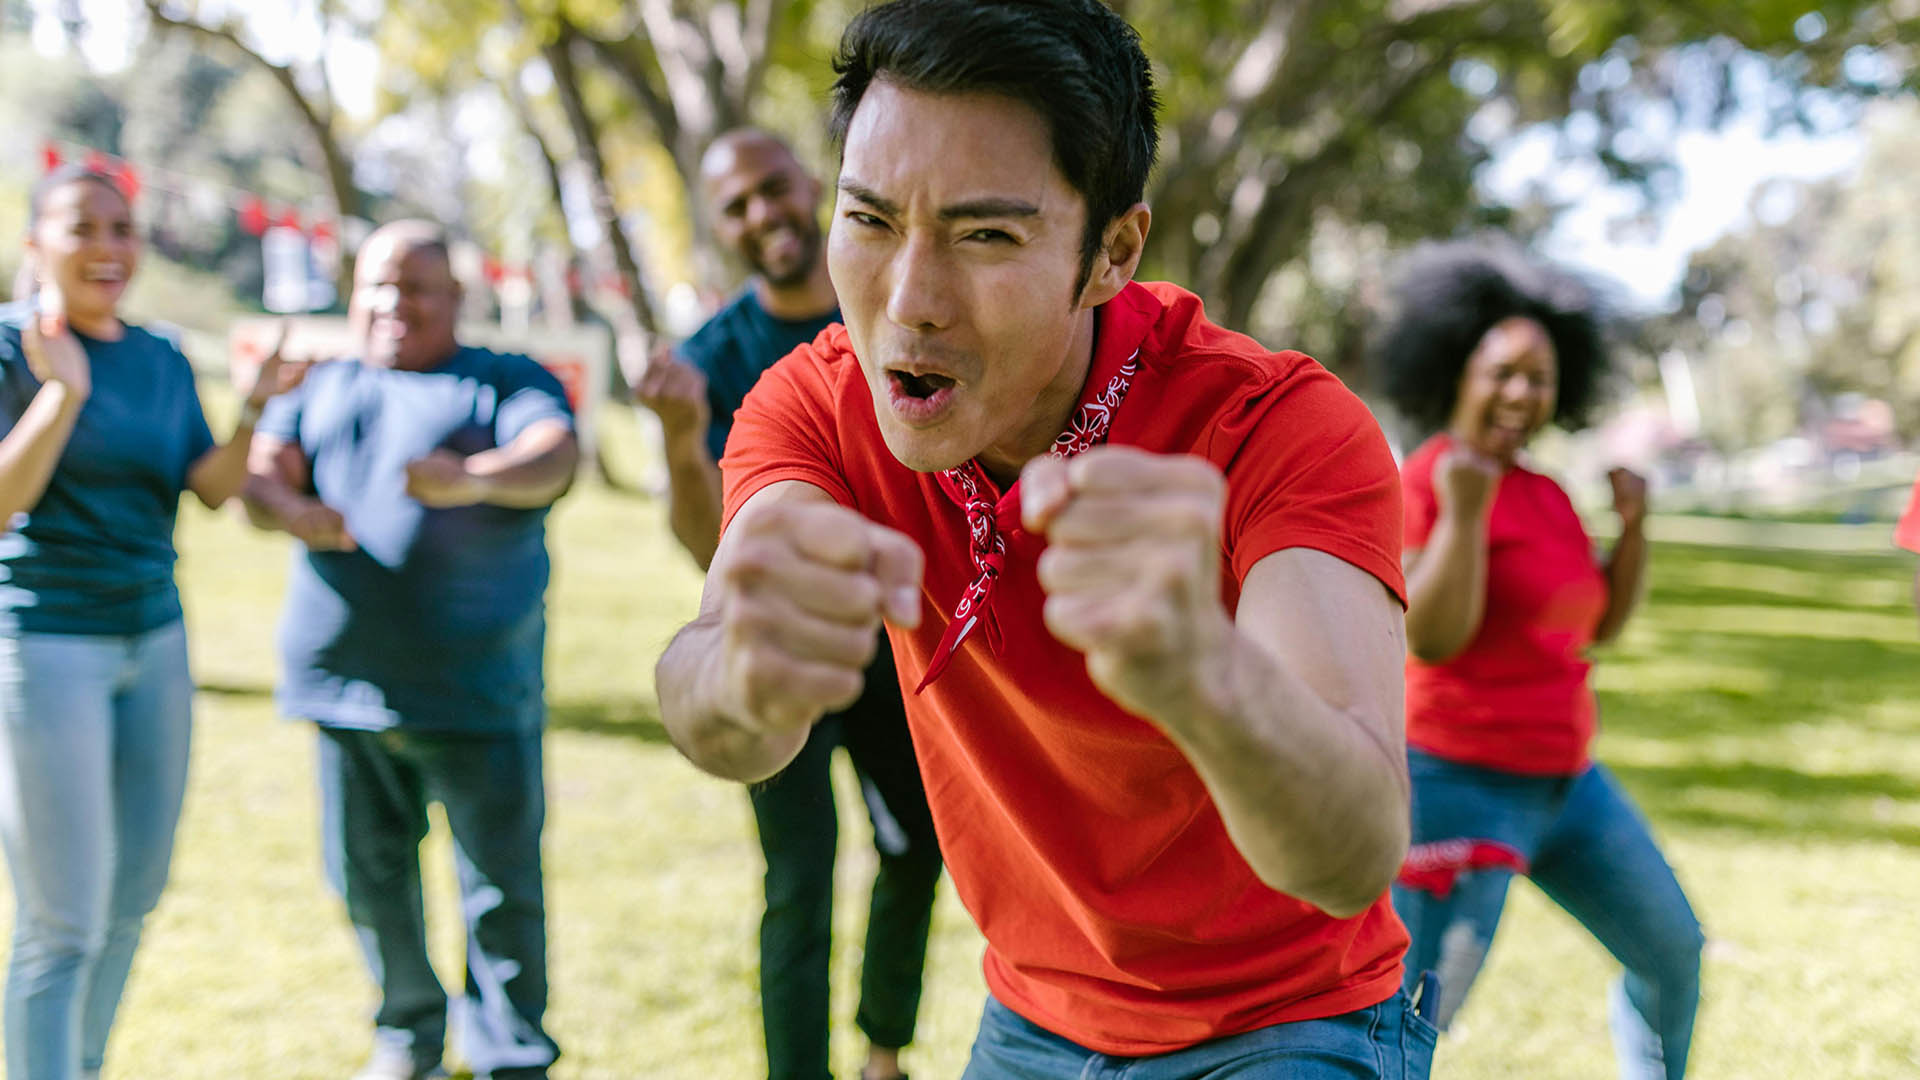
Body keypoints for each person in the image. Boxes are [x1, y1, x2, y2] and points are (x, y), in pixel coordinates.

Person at [654, 1, 1436, 1075]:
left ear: (1112, 250)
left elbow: (1353, 853)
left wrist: (1206, 676)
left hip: (1290, 1021)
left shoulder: (1277, 427)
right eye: (871, 220)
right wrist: (742, 669)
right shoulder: (814, 407)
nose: (909, 302)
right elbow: (713, 711)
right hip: (1031, 1021)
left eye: (986, 235)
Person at [632, 129, 942, 1080]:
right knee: (800, 881)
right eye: (736, 205)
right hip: (782, 654)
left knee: (913, 851)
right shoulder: (714, 357)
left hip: (896, 648)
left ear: (810, 182)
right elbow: (703, 545)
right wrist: (685, 440)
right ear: (718, 227)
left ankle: (882, 1051)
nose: (762, 213)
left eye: (773, 188)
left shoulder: (899, 315)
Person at [241, 221, 577, 1080]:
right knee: (367, 878)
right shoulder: (323, 383)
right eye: (377, 286)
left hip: (475, 692)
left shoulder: (505, 380)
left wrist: (473, 477)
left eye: (417, 286)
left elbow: (555, 458)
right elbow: (261, 475)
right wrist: (290, 506)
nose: (394, 303)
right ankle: (409, 1034)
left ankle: (511, 1055)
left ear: (455, 299)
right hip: (344, 687)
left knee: (499, 890)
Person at [1377, 240, 1703, 1080]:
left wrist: (1632, 529)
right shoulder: (1427, 482)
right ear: (1459, 371)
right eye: (1504, 372)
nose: (1522, 392)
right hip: (1455, 787)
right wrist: (1461, 513)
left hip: (1568, 785)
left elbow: (1597, 622)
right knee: (1413, 1019)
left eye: (1541, 377)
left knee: (1670, 951)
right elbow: (1432, 637)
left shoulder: (1546, 493)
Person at [0, 164, 290, 1080]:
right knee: (62, 920)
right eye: (83, 226)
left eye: (123, 229)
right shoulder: (12, 350)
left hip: (156, 644)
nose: (108, 247)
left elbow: (207, 488)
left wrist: (256, 407)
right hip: (46, 648)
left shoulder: (161, 357)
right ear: (35, 244)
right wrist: (62, 394)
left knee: (133, 897)